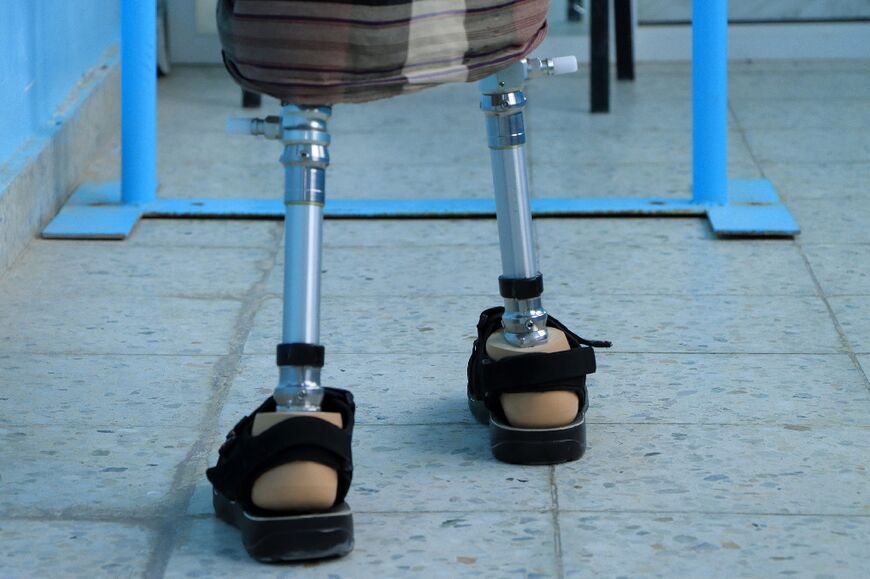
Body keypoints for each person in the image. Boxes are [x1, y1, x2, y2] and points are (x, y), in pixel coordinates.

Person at [206, 0, 609, 562]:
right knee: (501, 60)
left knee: (302, 53)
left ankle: (298, 433)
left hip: (302, 22)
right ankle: (529, 350)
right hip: (480, 13)